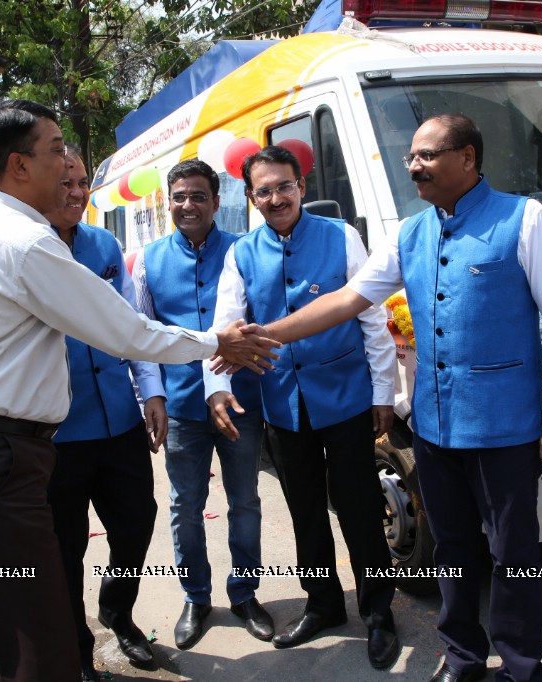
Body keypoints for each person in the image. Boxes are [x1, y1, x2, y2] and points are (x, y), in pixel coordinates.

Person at [0, 98, 279, 682]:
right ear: (20, 166)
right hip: (4, 457)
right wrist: (216, 343)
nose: (72, 172)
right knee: (41, 645)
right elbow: (126, 330)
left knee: (11, 631)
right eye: (57, 151)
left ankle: (115, 618)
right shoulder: (25, 244)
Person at [242, 115, 542, 682]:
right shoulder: (410, 233)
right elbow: (349, 300)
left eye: (427, 155)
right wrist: (266, 334)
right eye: (411, 157)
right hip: (434, 427)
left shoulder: (523, 218)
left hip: (507, 427)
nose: (414, 165)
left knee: (513, 556)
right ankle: (464, 656)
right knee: (451, 548)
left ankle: (522, 667)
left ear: (468, 158)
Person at [202, 145, 401, 670]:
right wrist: (214, 386)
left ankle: (379, 610)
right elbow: (225, 328)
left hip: (347, 399)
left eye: (283, 186)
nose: (275, 197)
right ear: (250, 198)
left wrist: (383, 392)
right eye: (263, 190)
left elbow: (372, 320)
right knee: (305, 510)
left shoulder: (341, 237)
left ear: (302, 188)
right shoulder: (241, 253)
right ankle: (324, 606)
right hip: (284, 406)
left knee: (359, 506)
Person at [132, 159, 271, 651]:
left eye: (198, 196)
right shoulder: (148, 261)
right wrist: (152, 395)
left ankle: (245, 593)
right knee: (184, 506)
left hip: (240, 405)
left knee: (245, 503)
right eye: (179, 197)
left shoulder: (245, 251)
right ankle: (196, 597)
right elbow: (142, 337)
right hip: (184, 409)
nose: (187, 205)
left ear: (216, 202)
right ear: (168, 202)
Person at [44, 150, 164, 681]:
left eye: (81, 184)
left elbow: (129, 323)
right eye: (63, 182)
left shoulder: (104, 244)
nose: (74, 193)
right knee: (63, 546)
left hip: (119, 421)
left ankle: (118, 613)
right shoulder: (27, 251)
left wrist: (151, 394)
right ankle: (74, 643)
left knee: (137, 524)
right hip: (56, 433)